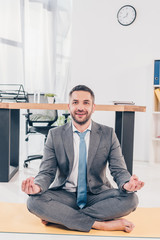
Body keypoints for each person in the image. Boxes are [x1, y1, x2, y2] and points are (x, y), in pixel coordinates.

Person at [21, 85, 144, 233]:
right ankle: (100, 224)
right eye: (75, 102)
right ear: (69, 107)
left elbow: (119, 170)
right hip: (66, 195)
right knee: (34, 201)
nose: (80, 107)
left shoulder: (108, 134)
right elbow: (46, 172)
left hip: (98, 195)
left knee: (131, 200)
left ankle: (60, 217)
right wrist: (37, 187)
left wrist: (126, 184)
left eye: (86, 103)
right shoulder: (55, 135)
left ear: (93, 107)